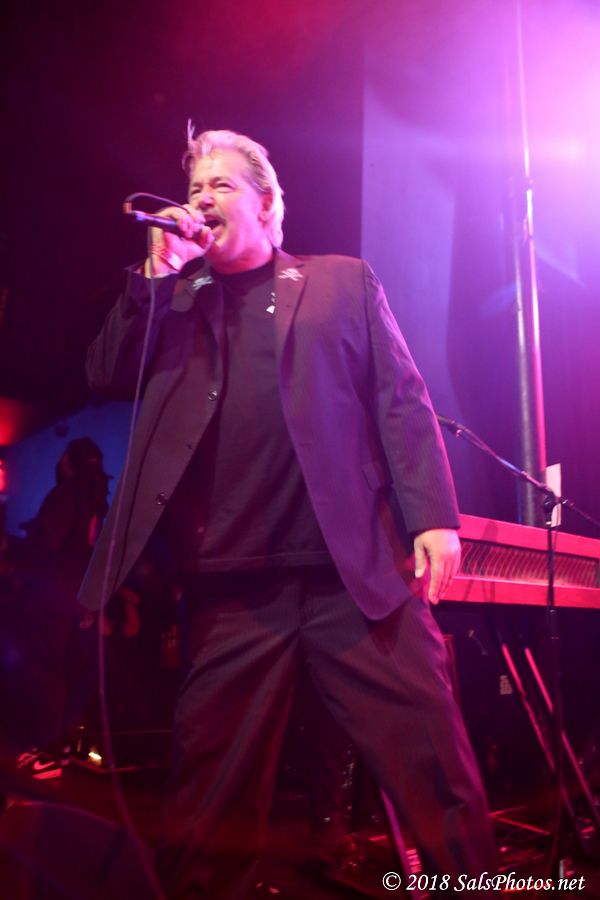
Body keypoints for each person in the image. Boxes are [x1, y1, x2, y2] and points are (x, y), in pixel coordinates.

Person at [79, 129, 496, 897]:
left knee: (437, 774)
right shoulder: (174, 298)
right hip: (230, 589)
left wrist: (432, 515)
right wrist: (156, 274)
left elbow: (400, 399)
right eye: (195, 188)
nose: (201, 199)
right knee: (205, 808)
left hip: (355, 578)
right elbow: (104, 372)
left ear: (269, 205)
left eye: (221, 186)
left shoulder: (341, 282)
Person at [9, 438, 109, 778]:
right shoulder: (95, 502)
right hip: (73, 598)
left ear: (70, 461)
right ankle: (58, 748)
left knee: (44, 671)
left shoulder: (66, 494)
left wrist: (17, 547)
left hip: (51, 597)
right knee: (63, 672)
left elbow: (44, 546)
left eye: (63, 455)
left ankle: (45, 753)